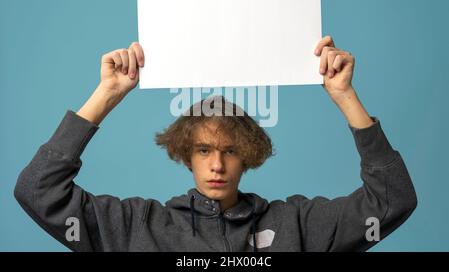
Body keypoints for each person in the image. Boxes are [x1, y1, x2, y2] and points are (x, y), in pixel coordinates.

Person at [14, 36, 417, 252]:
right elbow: (38, 191)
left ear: (249, 157)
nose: (217, 165)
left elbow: (392, 201)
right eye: (204, 150)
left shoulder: (296, 226)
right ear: (186, 155)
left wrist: (346, 96)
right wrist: (106, 95)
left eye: (230, 151)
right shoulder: (137, 229)